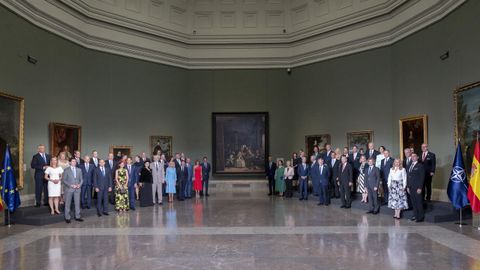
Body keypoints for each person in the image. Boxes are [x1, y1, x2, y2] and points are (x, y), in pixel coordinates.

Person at [62, 158, 83, 223]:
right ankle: (67, 217)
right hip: (69, 189)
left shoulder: (79, 170)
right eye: (73, 161)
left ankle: (77, 216)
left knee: (77, 203)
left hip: (77, 188)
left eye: (75, 161)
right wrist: (71, 185)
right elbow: (64, 180)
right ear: (70, 162)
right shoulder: (66, 170)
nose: (74, 162)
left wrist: (79, 185)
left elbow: (81, 179)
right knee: (68, 203)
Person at [407, 153, 425, 222]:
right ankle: (415, 216)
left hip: (417, 188)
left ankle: (420, 217)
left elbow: (422, 177)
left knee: (418, 202)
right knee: (413, 203)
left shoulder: (420, 165)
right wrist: (408, 186)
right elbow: (408, 177)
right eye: (412, 156)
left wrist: (420, 187)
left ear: (417, 157)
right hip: (411, 187)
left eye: (414, 156)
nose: (413, 157)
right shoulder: (410, 165)